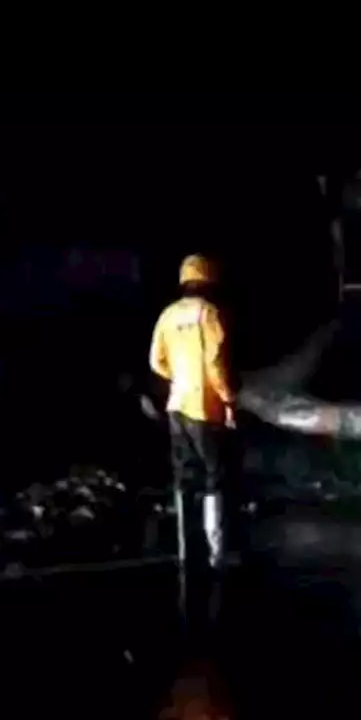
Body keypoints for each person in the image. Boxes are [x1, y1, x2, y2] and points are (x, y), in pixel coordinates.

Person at [149, 254, 236, 617]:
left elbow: (157, 360)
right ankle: (216, 555)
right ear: (208, 281)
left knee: (183, 479)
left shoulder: (168, 315)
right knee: (215, 478)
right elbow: (216, 363)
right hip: (206, 407)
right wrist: (229, 399)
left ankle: (187, 552)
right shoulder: (209, 314)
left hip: (177, 406)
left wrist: (177, 380)